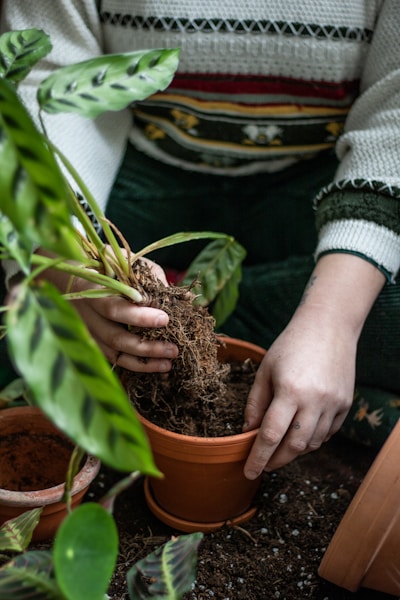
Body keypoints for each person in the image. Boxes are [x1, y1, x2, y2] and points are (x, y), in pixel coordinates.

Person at [1, 1, 400, 479]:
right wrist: (69, 265)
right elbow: (44, 84)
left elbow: (393, 117)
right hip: (137, 166)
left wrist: (332, 321)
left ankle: (191, 311)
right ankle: (232, 324)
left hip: (322, 184)